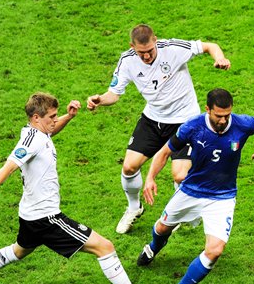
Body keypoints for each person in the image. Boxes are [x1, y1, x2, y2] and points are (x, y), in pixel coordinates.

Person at [0, 92, 172, 284]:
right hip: (46, 218)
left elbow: (50, 132)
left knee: (18, 251)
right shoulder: (31, 141)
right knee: (105, 247)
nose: (54, 121)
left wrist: (68, 117)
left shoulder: (38, 132)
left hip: (29, 215)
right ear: (36, 118)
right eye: (52, 117)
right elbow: (9, 166)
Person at [86, 24, 232, 234]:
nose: (146, 57)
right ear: (132, 47)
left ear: (155, 41)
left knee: (180, 175)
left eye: (149, 51)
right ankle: (134, 208)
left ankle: (178, 214)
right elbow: (114, 94)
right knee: (129, 167)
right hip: (153, 119)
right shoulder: (127, 61)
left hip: (184, 120)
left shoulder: (172, 48)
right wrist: (100, 100)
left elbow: (209, 45)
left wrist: (219, 58)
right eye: (141, 53)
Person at [137, 88, 254, 284]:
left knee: (215, 250)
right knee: (161, 228)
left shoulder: (241, 124)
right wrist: (150, 178)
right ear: (207, 109)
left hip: (223, 197)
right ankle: (153, 248)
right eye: (218, 115)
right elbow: (164, 153)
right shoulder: (192, 127)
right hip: (191, 191)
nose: (223, 120)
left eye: (227, 115)